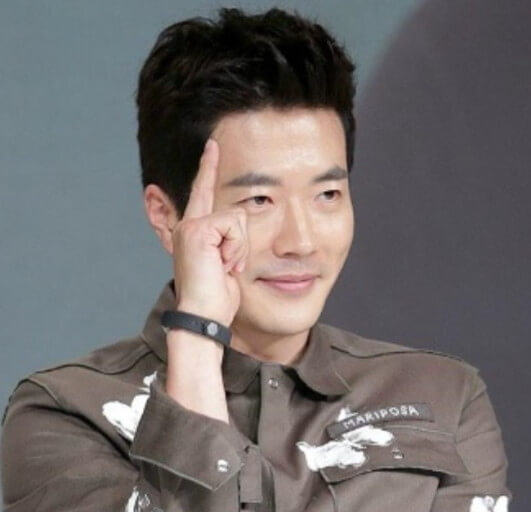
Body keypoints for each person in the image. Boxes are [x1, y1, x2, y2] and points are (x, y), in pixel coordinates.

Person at [1, 7, 510, 512]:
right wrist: (197, 340)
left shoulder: (443, 398)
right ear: (165, 215)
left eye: (328, 194)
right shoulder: (65, 414)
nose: (301, 241)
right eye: (258, 200)